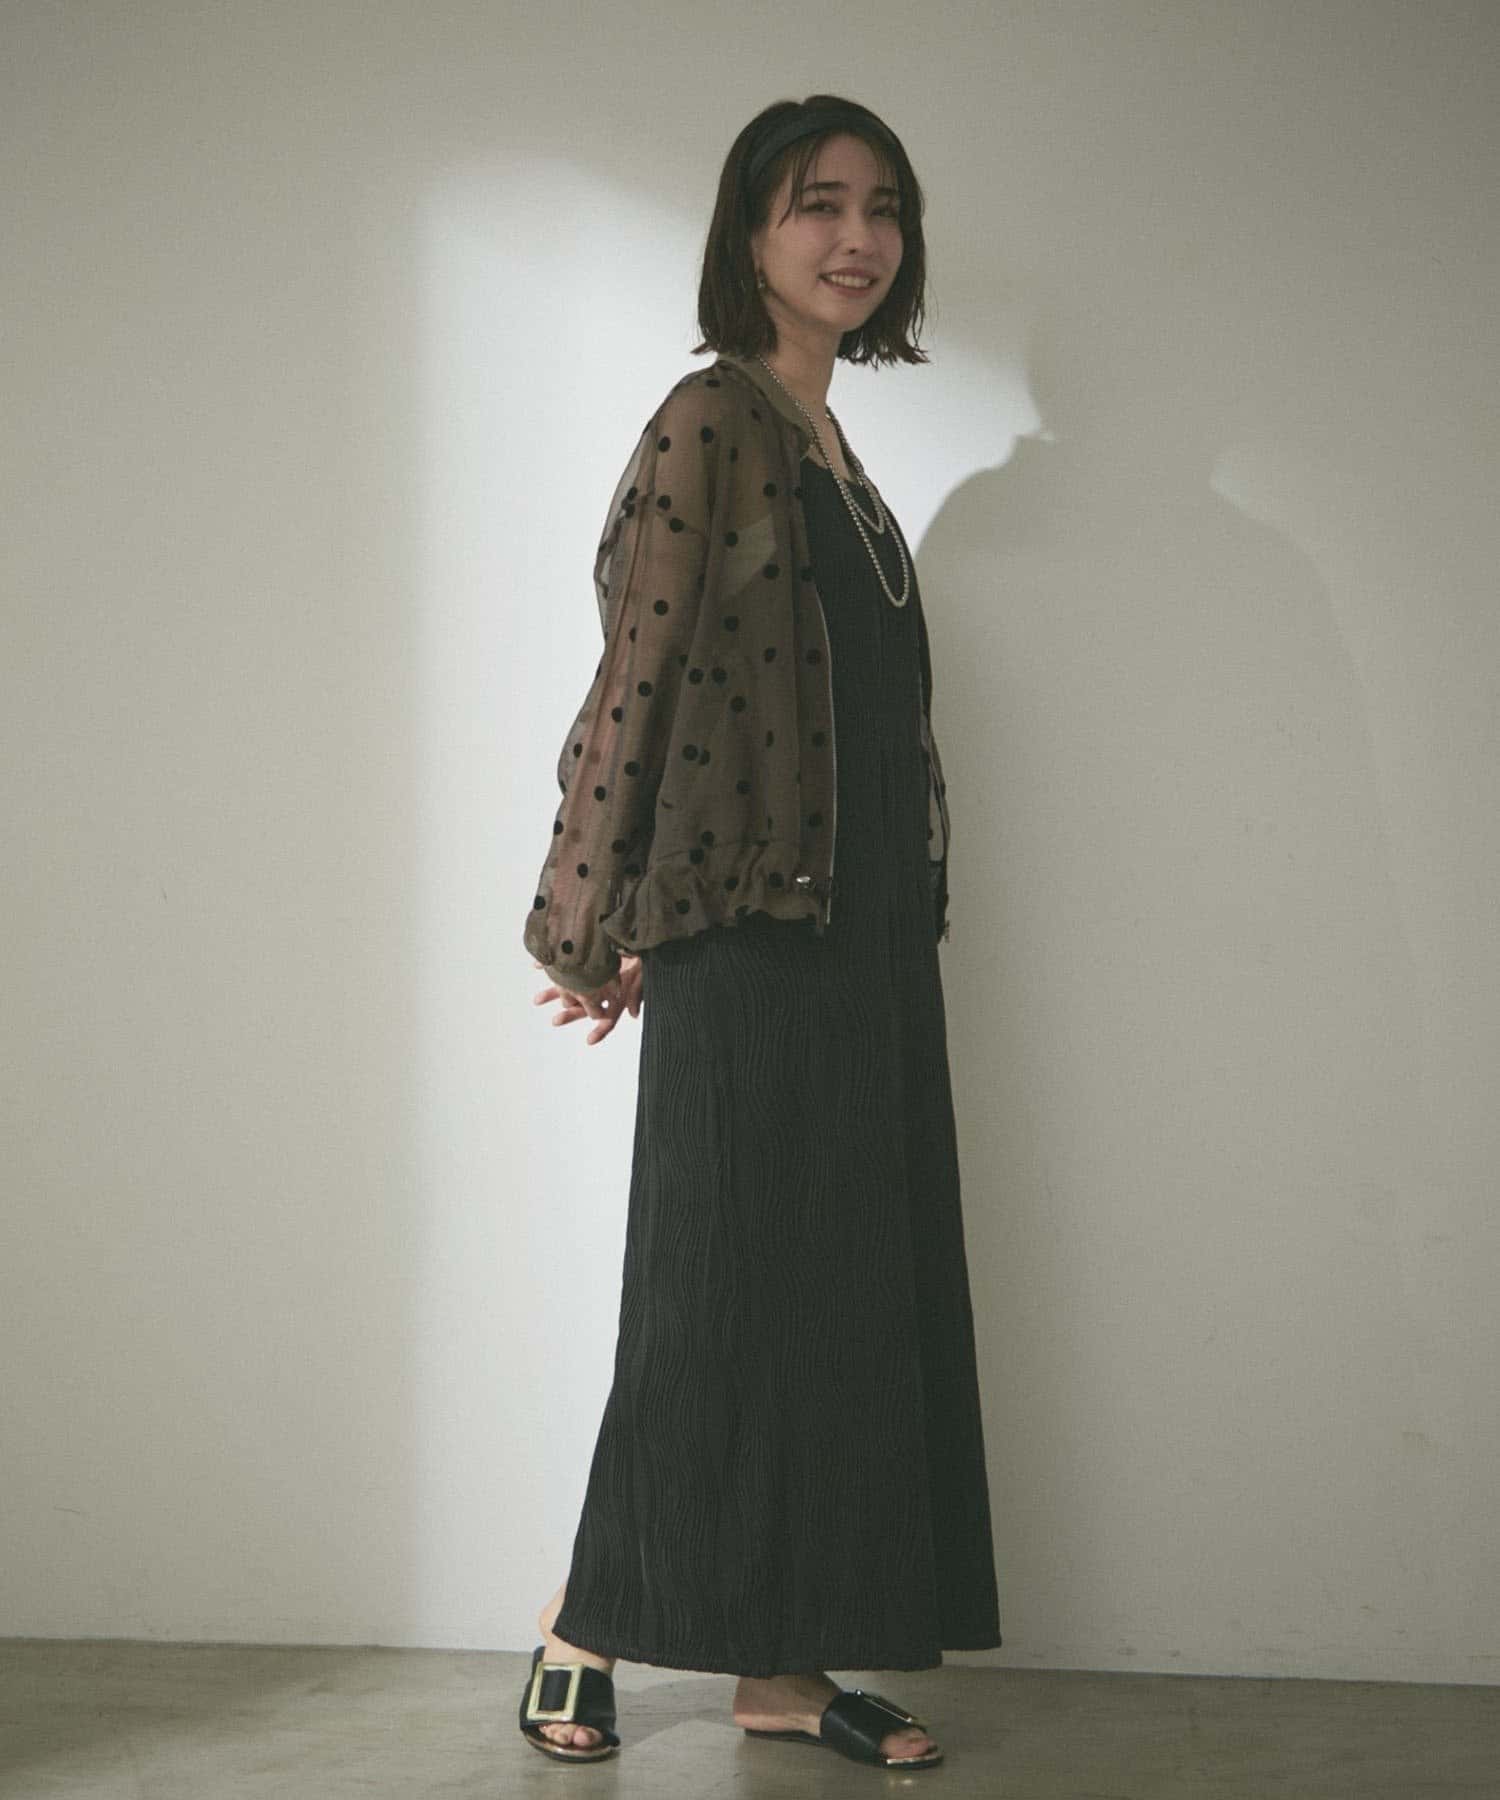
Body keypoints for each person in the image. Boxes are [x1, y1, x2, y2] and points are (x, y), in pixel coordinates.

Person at [518, 94, 1001, 1772]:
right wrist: (586, 919)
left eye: (884, 207)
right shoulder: (711, 420)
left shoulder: (835, 452)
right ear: (750, 233)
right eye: (819, 204)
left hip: (861, 938)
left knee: (839, 1301)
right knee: (715, 1299)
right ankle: (582, 1625)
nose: (858, 238)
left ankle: (782, 1675)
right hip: (751, 937)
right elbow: (638, 681)